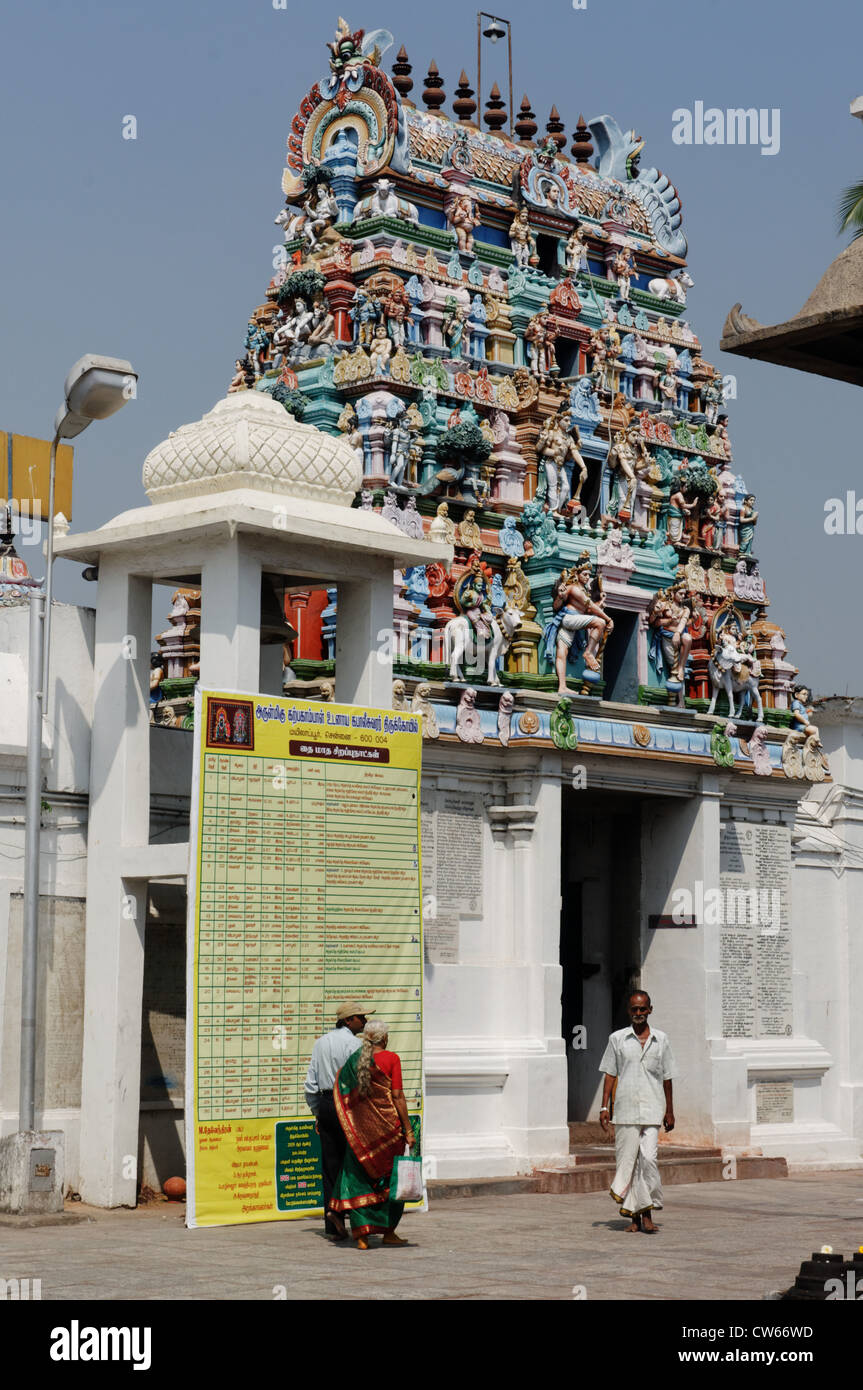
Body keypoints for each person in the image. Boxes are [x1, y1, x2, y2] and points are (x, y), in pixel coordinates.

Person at [330, 1019, 416, 1250]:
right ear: (384, 1038)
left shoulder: (355, 1061)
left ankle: (362, 1235)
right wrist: (408, 1129)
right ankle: (388, 1231)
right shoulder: (392, 1059)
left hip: (360, 1136)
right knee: (390, 1182)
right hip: (389, 1132)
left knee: (360, 1182)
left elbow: (344, 1092)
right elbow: (397, 1096)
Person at [598, 990, 678, 1234]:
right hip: (625, 1110)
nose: (639, 1014)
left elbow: (667, 1077)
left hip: (653, 1109)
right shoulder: (617, 1039)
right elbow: (610, 1073)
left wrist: (670, 1111)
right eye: (634, 1009)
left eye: (643, 1009)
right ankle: (637, 1218)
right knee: (631, 1164)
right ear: (628, 1011)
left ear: (650, 1010)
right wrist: (604, 1106)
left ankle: (649, 1210)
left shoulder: (661, 1039)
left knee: (649, 1160)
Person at [304, 1001, 371, 1239]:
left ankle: (333, 1223)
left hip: (326, 1105)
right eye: (360, 1017)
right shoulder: (356, 1044)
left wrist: (318, 1113)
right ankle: (358, 1222)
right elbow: (360, 1080)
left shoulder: (320, 1043)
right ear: (348, 1021)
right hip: (347, 1105)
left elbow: (311, 1082)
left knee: (330, 1167)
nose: (363, 1021)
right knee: (354, 1166)